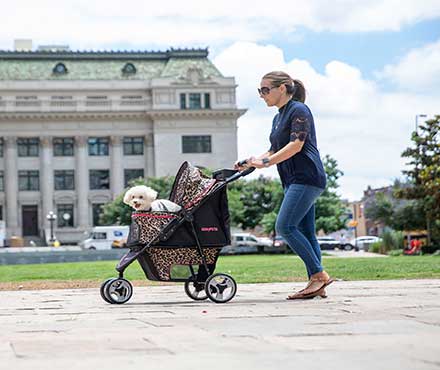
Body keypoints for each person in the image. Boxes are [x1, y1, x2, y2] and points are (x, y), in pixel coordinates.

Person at [235, 71, 333, 299]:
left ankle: (319, 276)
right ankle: (316, 285)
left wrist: (266, 163)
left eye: (265, 90)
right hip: (292, 180)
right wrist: (250, 162)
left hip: (306, 177)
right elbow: (273, 149)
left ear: (282, 88)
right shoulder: (278, 117)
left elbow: (296, 145)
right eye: (260, 90)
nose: (261, 95)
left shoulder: (299, 110)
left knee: (285, 227)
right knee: (307, 232)